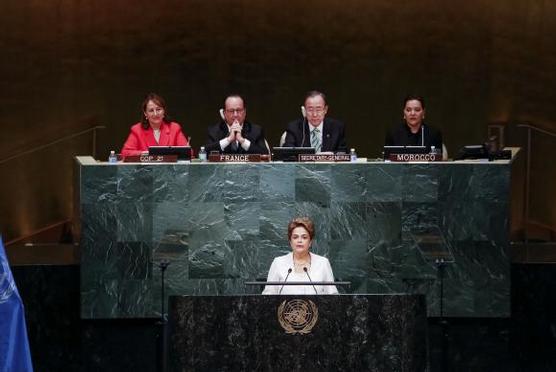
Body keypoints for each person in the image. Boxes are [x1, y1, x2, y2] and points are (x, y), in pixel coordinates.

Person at [262, 217, 338, 295]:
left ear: (310, 242)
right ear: (290, 241)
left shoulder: (323, 263)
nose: (299, 241)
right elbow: (268, 296)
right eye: (295, 237)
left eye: (304, 237)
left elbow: (333, 296)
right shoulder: (278, 263)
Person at [121, 93, 190, 156]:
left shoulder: (174, 128)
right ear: (145, 113)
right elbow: (125, 153)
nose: (155, 114)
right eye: (151, 110)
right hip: (146, 169)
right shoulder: (137, 130)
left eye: (158, 109)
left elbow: (189, 152)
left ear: (164, 111)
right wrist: (145, 153)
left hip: (170, 169)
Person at [283, 90, 347, 153]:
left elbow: (342, 152)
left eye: (318, 109)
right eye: (310, 110)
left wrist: (329, 156)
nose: (314, 114)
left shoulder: (337, 128)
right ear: (304, 111)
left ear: (325, 110)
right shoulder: (294, 128)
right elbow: (287, 153)